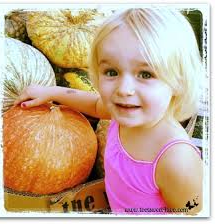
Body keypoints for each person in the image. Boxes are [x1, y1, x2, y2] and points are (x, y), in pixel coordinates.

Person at [14, 7, 204, 215]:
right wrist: (52, 92)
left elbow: (189, 213)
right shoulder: (125, 112)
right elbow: (95, 105)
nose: (123, 89)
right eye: (111, 72)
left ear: (179, 82)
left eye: (146, 74)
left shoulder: (176, 160)